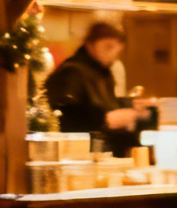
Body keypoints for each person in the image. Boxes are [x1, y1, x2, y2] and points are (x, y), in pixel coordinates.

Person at [44, 21, 153, 154]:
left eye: (117, 50)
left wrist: (130, 105)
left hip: (102, 154)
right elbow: (62, 116)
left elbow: (105, 105)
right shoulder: (72, 73)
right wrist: (105, 119)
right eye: (108, 47)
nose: (113, 53)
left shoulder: (103, 73)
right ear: (90, 45)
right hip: (81, 154)